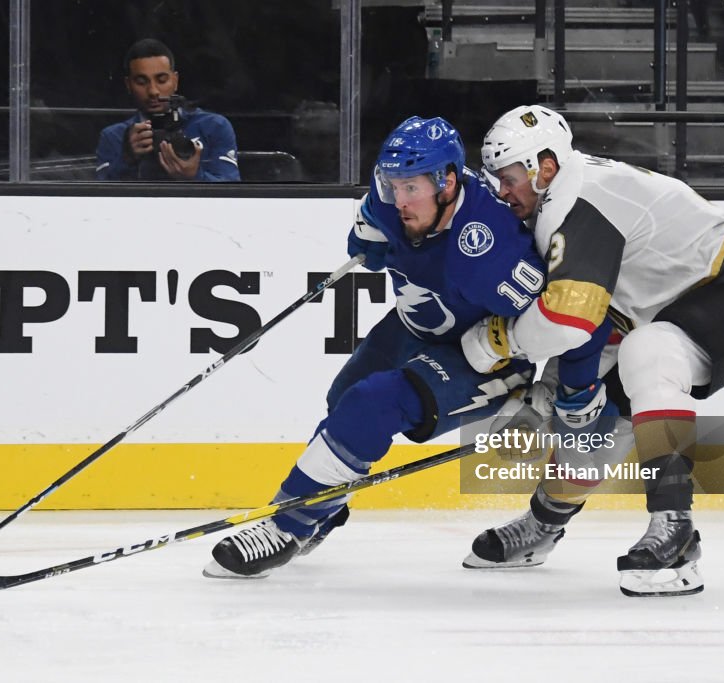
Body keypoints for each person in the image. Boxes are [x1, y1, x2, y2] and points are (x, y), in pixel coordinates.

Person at [203, 115, 613, 579]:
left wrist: (573, 388)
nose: (399, 200)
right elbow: (367, 231)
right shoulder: (387, 203)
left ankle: (285, 524)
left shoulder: (489, 248)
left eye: (411, 188)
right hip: (413, 328)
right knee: (344, 402)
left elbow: (582, 322)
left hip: (481, 358)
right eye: (392, 184)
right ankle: (323, 508)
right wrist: (368, 242)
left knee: (371, 403)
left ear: (448, 182)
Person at [463, 105, 724, 596]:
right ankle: (542, 526)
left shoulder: (580, 202)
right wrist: (553, 393)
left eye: (509, 178)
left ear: (546, 168)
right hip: (671, 315)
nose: (501, 191)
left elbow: (565, 320)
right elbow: (590, 319)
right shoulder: (556, 203)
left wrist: (498, 341)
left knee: (648, 352)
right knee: (594, 431)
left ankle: (676, 530)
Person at [96, 38, 239, 182]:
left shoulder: (213, 127)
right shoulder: (114, 137)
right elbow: (97, 198)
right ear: (128, 85)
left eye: (162, 80)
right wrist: (126, 159)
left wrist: (194, 176)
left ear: (175, 80)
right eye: (141, 82)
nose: (153, 91)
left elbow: (233, 191)